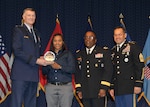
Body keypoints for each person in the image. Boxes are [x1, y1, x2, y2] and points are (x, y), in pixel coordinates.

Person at [11, 8, 49, 107]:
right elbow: (17, 51)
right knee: (17, 103)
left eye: (33, 15)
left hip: (33, 75)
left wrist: (43, 59)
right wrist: (36, 60)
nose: (31, 17)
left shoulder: (36, 32)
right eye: (29, 15)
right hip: (20, 74)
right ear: (23, 17)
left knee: (31, 104)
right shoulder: (18, 30)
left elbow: (34, 52)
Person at [75, 30, 113, 107]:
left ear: (95, 40)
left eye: (90, 37)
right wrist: (79, 89)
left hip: (98, 90)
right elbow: (78, 73)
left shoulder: (103, 52)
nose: (88, 39)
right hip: (85, 91)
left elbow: (108, 71)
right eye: (86, 37)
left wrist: (103, 88)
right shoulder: (79, 54)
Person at [109, 26, 144, 107]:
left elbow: (139, 66)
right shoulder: (113, 51)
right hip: (118, 89)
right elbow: (113, 71)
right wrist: (112, 87)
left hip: (130, 88)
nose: (117, 37)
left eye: (119, 34)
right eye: (115, 35)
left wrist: (138, 84)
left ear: (125, 35)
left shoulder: (132, 47)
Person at [42, 33, 75, 107]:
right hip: (51, 86)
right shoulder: (48, 55)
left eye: (59, 41)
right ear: (52, 42)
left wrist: (60, 67)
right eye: (55, 41)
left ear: (62, 42)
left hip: (65, 87)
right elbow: (44, 72)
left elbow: (72, 69)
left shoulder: (68, 54)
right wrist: (47, 64)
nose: (57, 43)